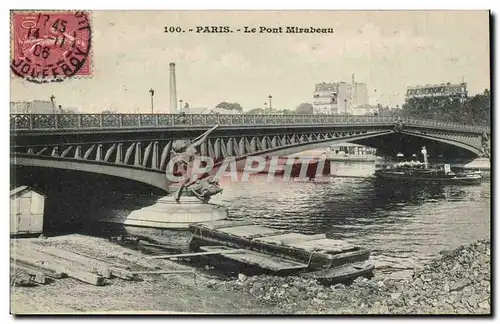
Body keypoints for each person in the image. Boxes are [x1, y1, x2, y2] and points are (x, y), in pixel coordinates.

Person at [171, 125, 219, 203]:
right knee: (195, 176)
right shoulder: (189, 149)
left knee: (194, 177)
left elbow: (201, 141)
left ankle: (181, 191)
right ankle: (182, 190)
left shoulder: (189, 148)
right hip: (194, 163)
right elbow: (200, 141)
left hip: (195, 162)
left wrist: (207, 133)